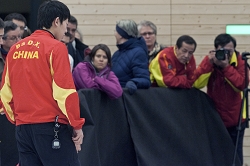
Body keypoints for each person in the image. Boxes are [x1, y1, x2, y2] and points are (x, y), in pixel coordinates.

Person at [0, 1, 85, 165]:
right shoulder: (56, 48)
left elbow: (5, 93)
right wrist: (77, 124)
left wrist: (19, 120)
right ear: (57, 21)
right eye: (66, 25)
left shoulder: (15, 49)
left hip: (23, 129)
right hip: (51, 128)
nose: (66, 30)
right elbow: (65, 92)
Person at [193, 33, 246, 165]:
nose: (226, 54)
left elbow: (240, 85)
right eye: (223, 51)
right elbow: (196, 83)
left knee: (235, 155)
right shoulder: (210, 61)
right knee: (216, 153)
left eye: (230, 51)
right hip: (215, 117)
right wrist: (209, 64)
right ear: (216, 49)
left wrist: (226, 67)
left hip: (236, 118)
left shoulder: (240, 61)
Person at [112, 19, 151, 95]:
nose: (114, 33)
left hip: (126, 99)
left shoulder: (138, 53)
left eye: (116, 31)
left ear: (121, 35)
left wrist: (133, 82)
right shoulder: (117, 53)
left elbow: (144, 79)